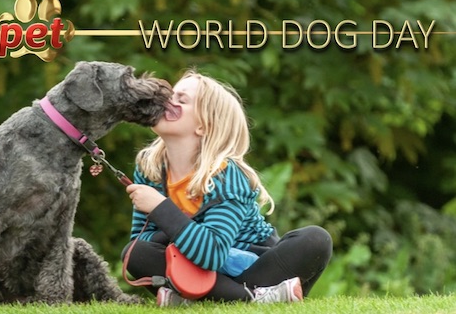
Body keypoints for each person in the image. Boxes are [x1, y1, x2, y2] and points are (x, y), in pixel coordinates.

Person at [121, 70, 333, 306]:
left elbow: (212, 254)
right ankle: (258, 299)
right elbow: (144, 238)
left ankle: (214, 298)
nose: (166, 102)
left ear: (203, 125)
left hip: (255, 263)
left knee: (316, 239)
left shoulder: (227, 175)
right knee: (134, 252)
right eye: (170, 96)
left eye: (181, 100)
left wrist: (163, 209)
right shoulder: (149, 169)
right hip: (192, 267)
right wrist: (185, 232)